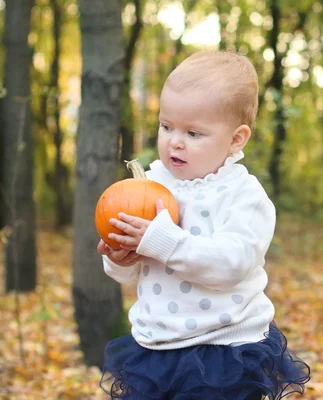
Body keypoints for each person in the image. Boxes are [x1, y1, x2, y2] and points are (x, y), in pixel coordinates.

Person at [97, 50, 310, 400]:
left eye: (194, 133)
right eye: (166, 126)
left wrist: (163, 241)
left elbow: (232, 264)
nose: (175, 141)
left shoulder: (243, 195)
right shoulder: (150, 185)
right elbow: (138, 269)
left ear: (236, 139)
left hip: (223, 352)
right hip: (155, 347)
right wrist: (120, 259)